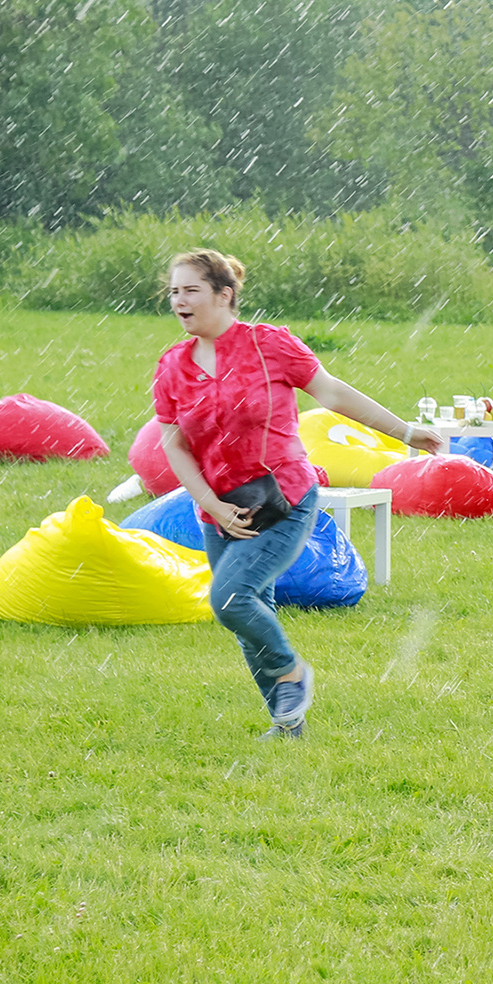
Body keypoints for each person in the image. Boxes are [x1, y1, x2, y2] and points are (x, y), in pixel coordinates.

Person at [153, 249, 439, 738]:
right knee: (250, 613)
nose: (179, 301)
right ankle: (288, 723)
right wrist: (213, 506)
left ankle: (291, 673)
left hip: (281, 497)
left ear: (225, 296)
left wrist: (405, 432)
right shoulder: (173, 366)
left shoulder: (270, 346)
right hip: (219, 509)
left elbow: (334, 394)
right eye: (174, 292)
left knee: (230, 600)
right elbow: (173, 443)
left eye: (191, 290)